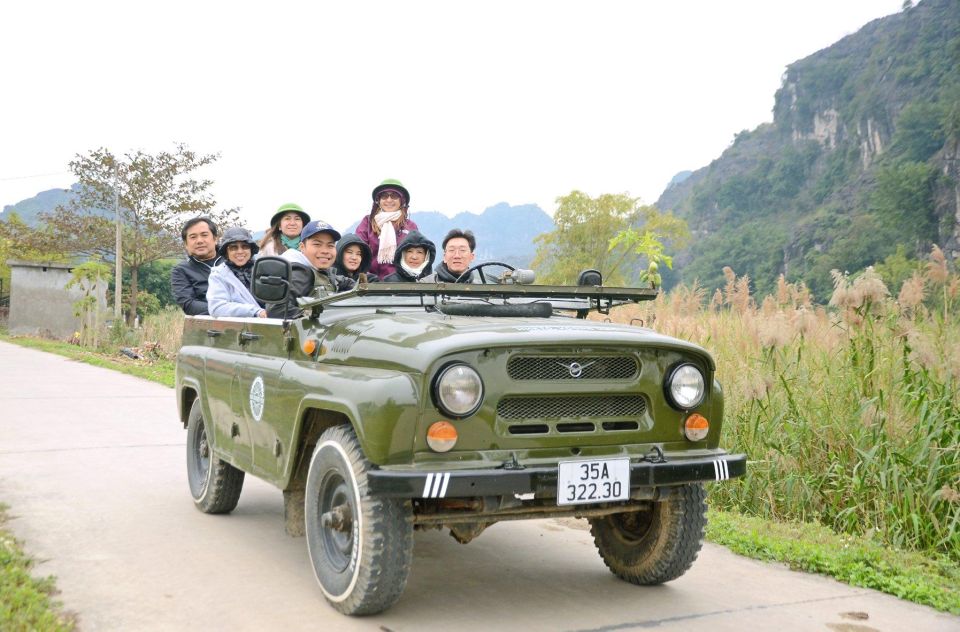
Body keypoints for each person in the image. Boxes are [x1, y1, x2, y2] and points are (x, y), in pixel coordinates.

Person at [355, 179, 418, 279]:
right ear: (378, 201)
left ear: (402, 200)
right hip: (371, 283)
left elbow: (417, 256)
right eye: (384, 196)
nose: (389, 200)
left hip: (401, 283)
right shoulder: (367, 223)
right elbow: (358, 249)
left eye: (394, 196)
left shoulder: (410, 226)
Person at [281, 220, 355, 294]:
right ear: (302, 247)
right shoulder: (298, 274)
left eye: (330, 245)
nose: (325, 251)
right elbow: (280, 305)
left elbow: (345, 282)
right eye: (317, 244)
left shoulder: (322, 271)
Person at [207, 227, 267, 318]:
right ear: (226, 252)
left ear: (251, 249)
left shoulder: (263, 269)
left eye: (245, 246)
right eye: (234, 248)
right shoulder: (218, 275)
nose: (240, 251)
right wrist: (256, 312)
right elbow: (217, 307)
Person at [171, 216, 222, 315]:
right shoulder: (181, 270)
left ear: (215, 239)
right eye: (193, 237)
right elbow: (188, 305)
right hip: (206, 325)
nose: (199, 241)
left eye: (204, 235)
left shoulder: (231, 260)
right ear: (186, 244)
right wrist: (227, 310)